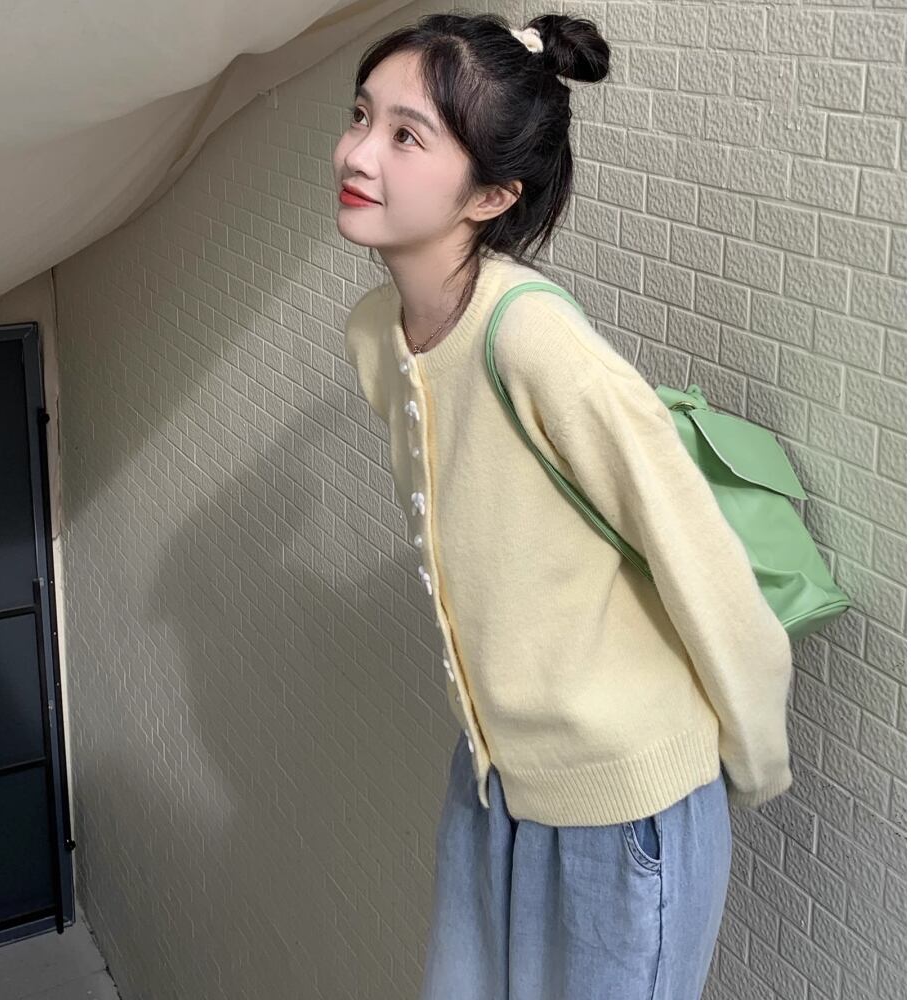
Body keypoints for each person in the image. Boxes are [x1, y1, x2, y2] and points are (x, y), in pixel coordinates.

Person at [332, 11, 794, 999]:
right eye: (361, 116)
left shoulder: (534, 340)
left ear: (492, 194)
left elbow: (696, 554)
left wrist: (755, 757)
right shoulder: (378, 335)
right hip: (493, 779)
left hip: (624, 806)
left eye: (406, 135)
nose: (357, 153)